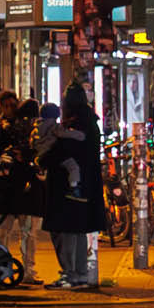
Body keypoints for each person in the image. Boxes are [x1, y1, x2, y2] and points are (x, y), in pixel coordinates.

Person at [41, 90, 107, 289]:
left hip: (65, 188)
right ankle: (80, 274)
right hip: (82, 186)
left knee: (64, 231)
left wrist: (41, 159)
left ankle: (70, 274)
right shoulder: (90, 124)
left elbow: (60, 152)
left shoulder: (75, 126)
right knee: (77, 231)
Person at [0, 96, 47, 278]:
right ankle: (20, 270)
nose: (9, 109)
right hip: (20, 190)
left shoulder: (10, 128)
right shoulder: (2, 127)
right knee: (20, 233)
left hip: (15, 189)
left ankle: (4, 270)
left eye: (13, 106)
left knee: (8, 232)